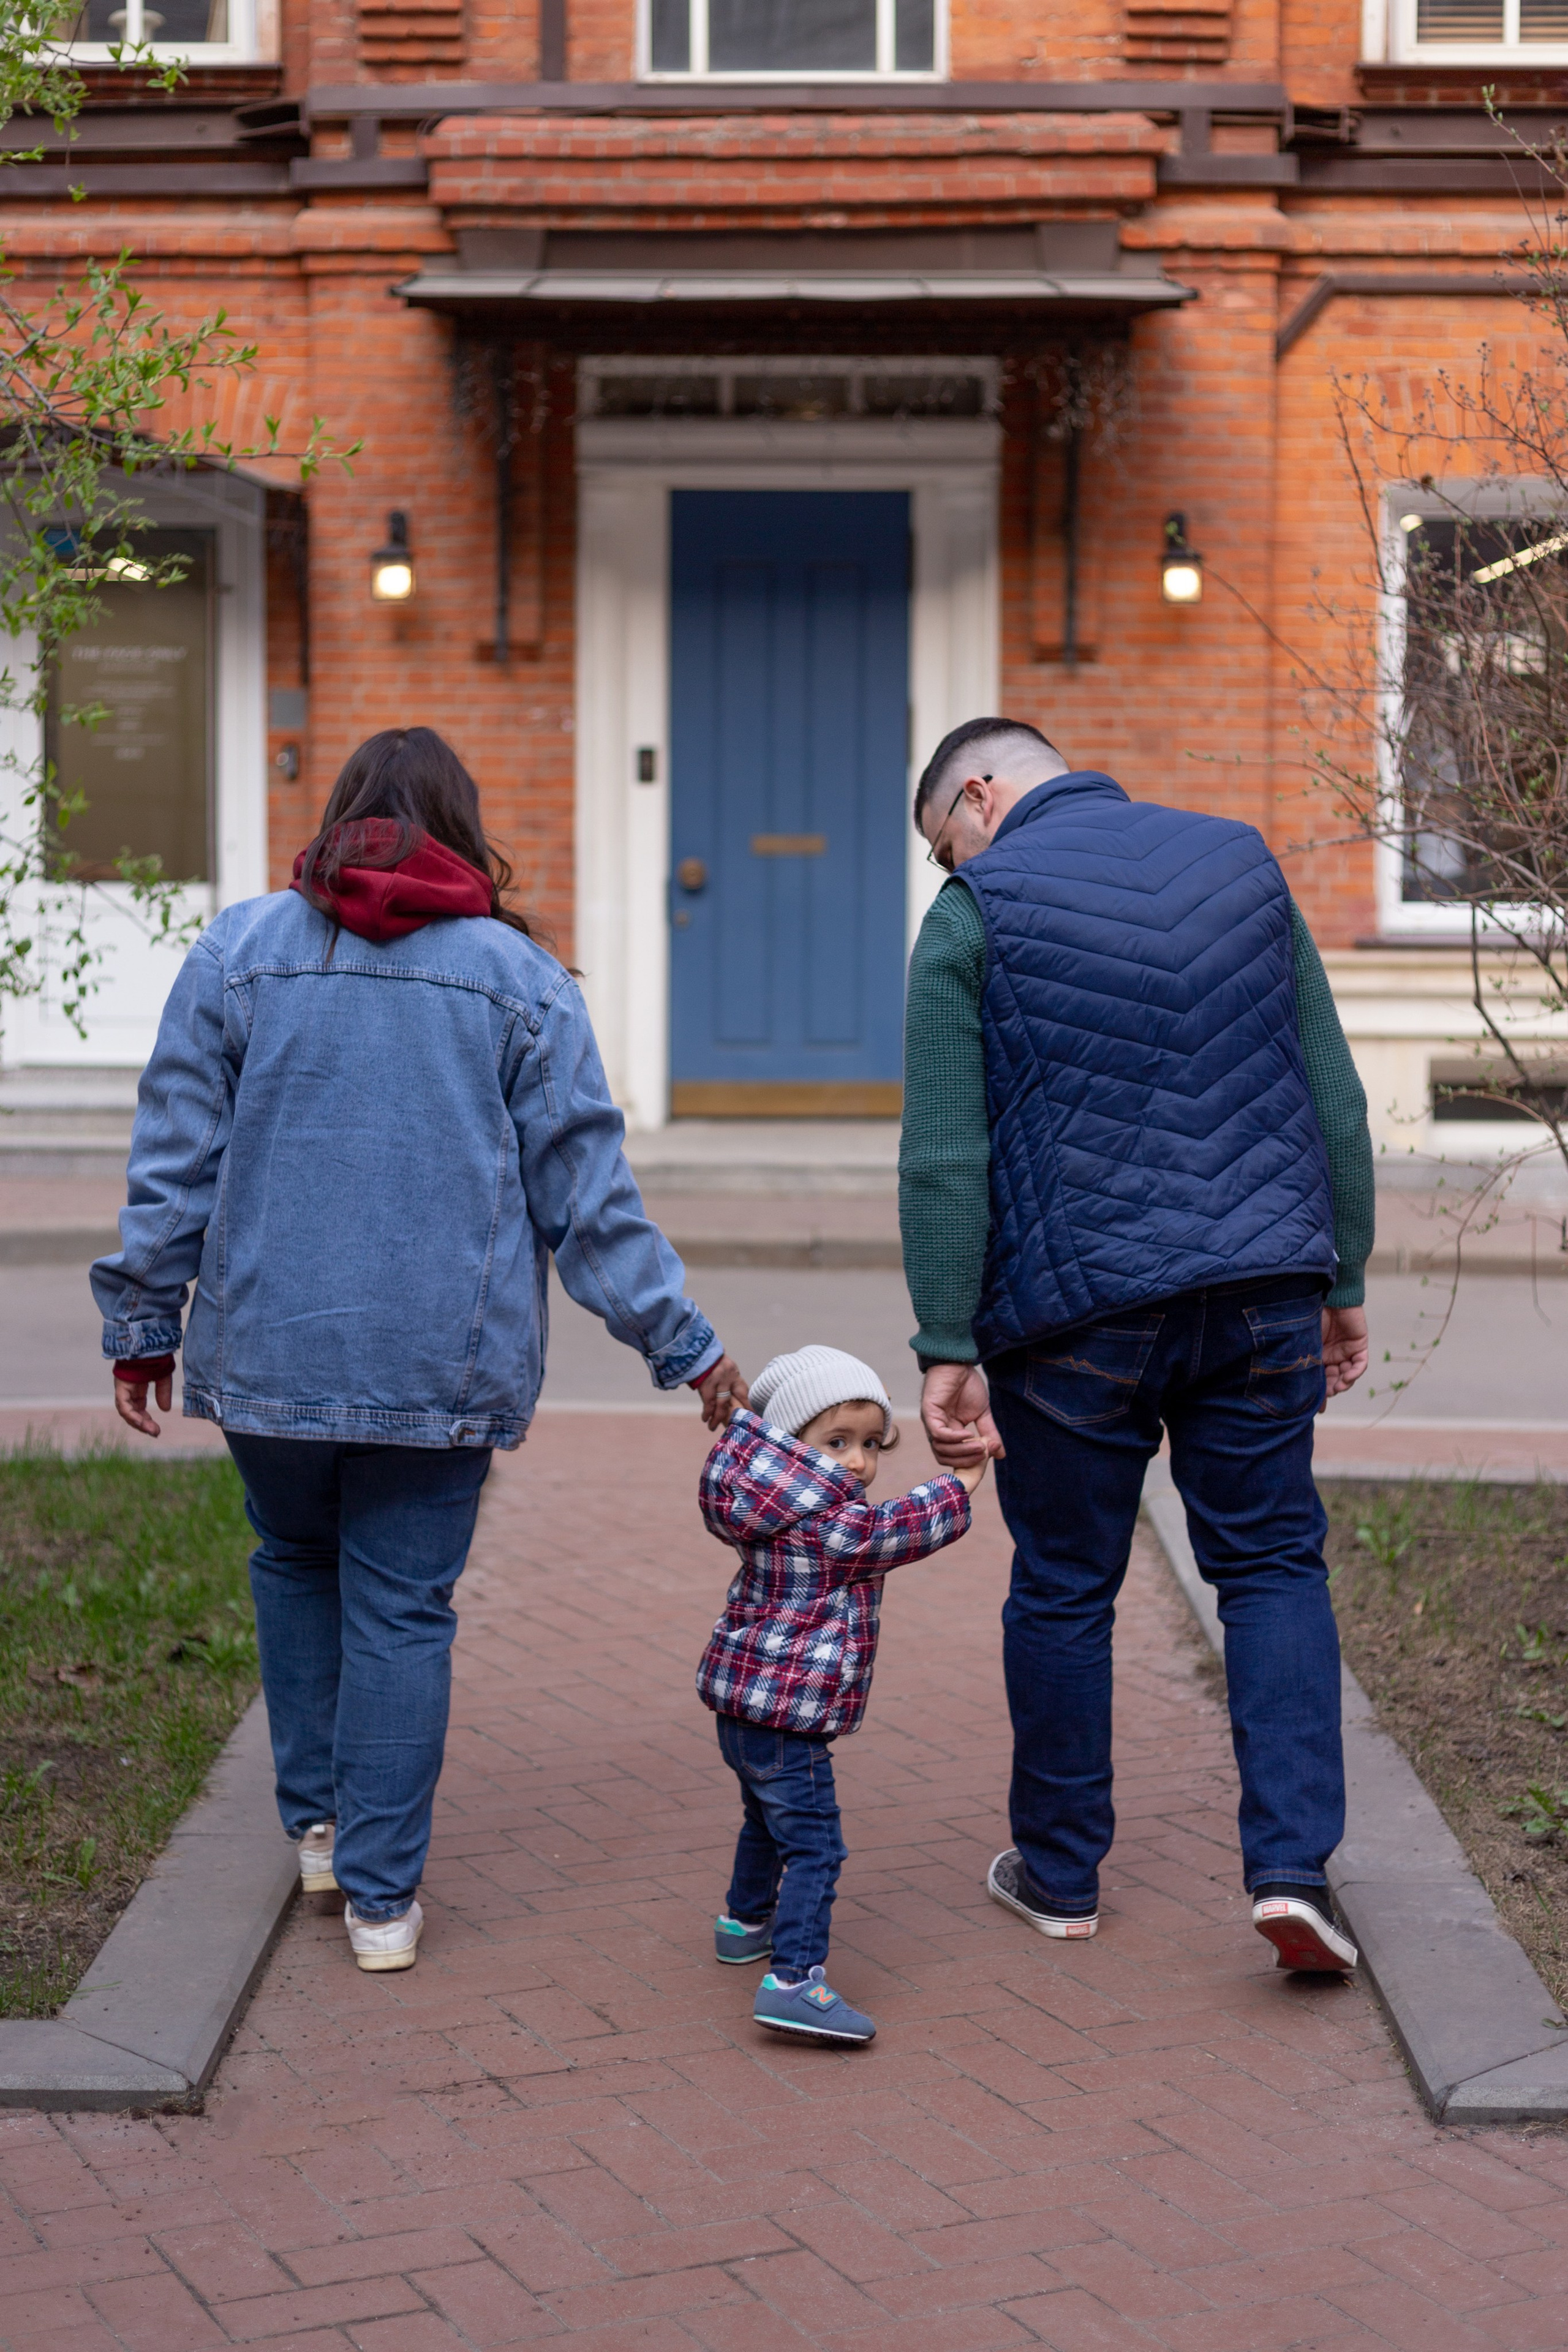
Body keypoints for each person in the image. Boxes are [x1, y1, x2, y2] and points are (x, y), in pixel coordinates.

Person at [91, 728, 746, 1975]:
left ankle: (320, 1830)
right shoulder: (520, 978)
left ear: (338, 816)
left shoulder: (238, 952)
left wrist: (141, 1326)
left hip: (269, 1351)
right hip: (439, 1365)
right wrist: (687, 1348)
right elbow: (587, 1202)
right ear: (463, 829)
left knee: (295, 1561)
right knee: (400, 1605)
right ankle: (382, 1903)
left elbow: (174, 1156)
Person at [900, 717, 1374, 1975]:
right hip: (1264, 1287)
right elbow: (1330, 1090)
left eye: (945, 843)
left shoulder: (974, 913)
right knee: (1270, 1566)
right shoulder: (1242, 862)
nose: (952, 867)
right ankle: (1293, 1877)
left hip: (1075, 1314)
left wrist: (945, 1340)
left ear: (980, 796)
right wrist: (1343, 1275)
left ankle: (1060, 1878)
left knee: (1065, 1583)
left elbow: (945, 1151)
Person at [697, 1344, 982, 2045]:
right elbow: (889, 1532)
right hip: (787, 1719)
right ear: (791, 1444)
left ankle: (744, 1923)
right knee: (817, 1848)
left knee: (764, 1820)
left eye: (870, 1444)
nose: (856, 1461)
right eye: (836, 1442)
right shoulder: (826, 1524)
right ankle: (795, 1982)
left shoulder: (765, 1500)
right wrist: (961, 1483)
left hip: (744, 1708)